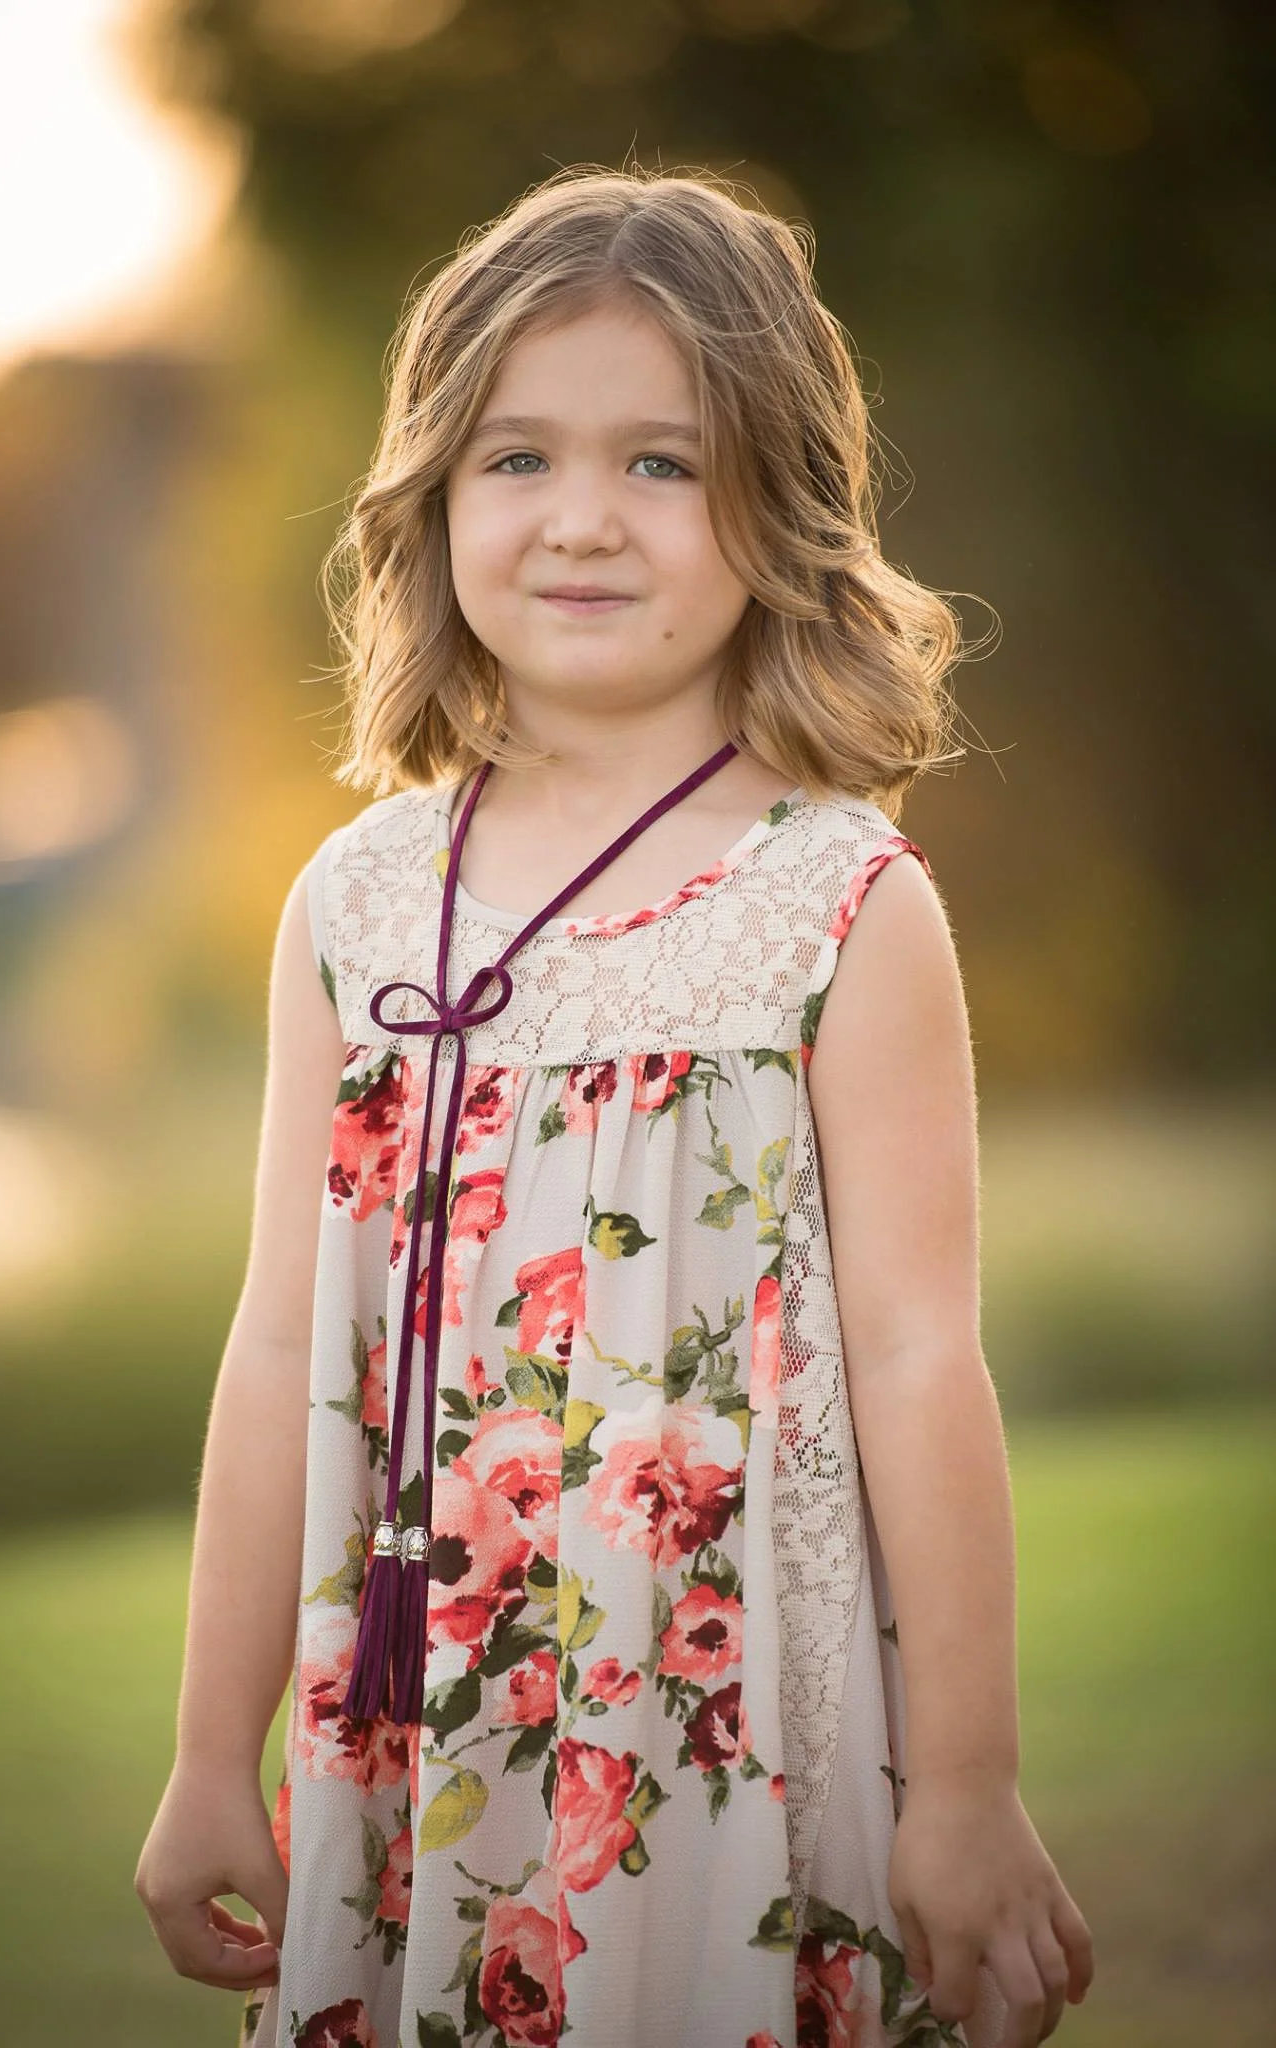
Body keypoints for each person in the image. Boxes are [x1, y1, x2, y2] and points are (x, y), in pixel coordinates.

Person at [134, 166, 1095, 2048]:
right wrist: (200, 1752)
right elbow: (276, 1349)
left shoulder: (837, 907)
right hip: (412, 1721)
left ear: (777, 506)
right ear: (431, 498)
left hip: (716, 1726)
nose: (584, 521)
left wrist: (966, 1788)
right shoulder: (355, 901)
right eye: (517, 459)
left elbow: (917, 1358)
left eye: (662, 463)